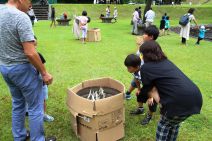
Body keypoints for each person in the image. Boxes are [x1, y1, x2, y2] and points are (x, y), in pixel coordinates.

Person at [0, 0, 56, 141]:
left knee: (18, 103)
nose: (31, 4)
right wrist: (44, 72)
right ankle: (38, 139)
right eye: (30, 1)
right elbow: (30, 53)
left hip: (5, 68)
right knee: (35, 108)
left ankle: (19, 136)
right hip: (23, 69)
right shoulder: (20, 16)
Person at [139, 40, 202, 141]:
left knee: (163, 124)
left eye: (142, 54)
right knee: (174, 124)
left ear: (146, 55)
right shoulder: (166, 62)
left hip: (178, 101)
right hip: (196, 98)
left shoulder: (146, 67)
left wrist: (141, 98)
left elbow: (147, 87)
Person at [125, 25, 160, 125]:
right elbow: (136, 80)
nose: (143, 35)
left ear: (151, 36)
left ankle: (150, 115)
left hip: (152, 81)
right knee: (140, 94)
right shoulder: (136, 70)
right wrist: (139, 89)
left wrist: (151, 96)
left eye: (145, 33)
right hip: (141, 75)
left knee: (152, 101)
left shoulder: (154, 49)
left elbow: (154, 82)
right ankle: (140, 109)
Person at [34, 36, 54, 122]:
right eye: (32, 45)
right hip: (33, 83)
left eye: (35, 45)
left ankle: (43, 114)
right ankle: (37, 113)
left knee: (42, 99)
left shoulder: (38, 55)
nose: (34, 47)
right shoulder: (24, 57)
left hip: (40, 82)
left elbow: (43, 69)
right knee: (38, 99)